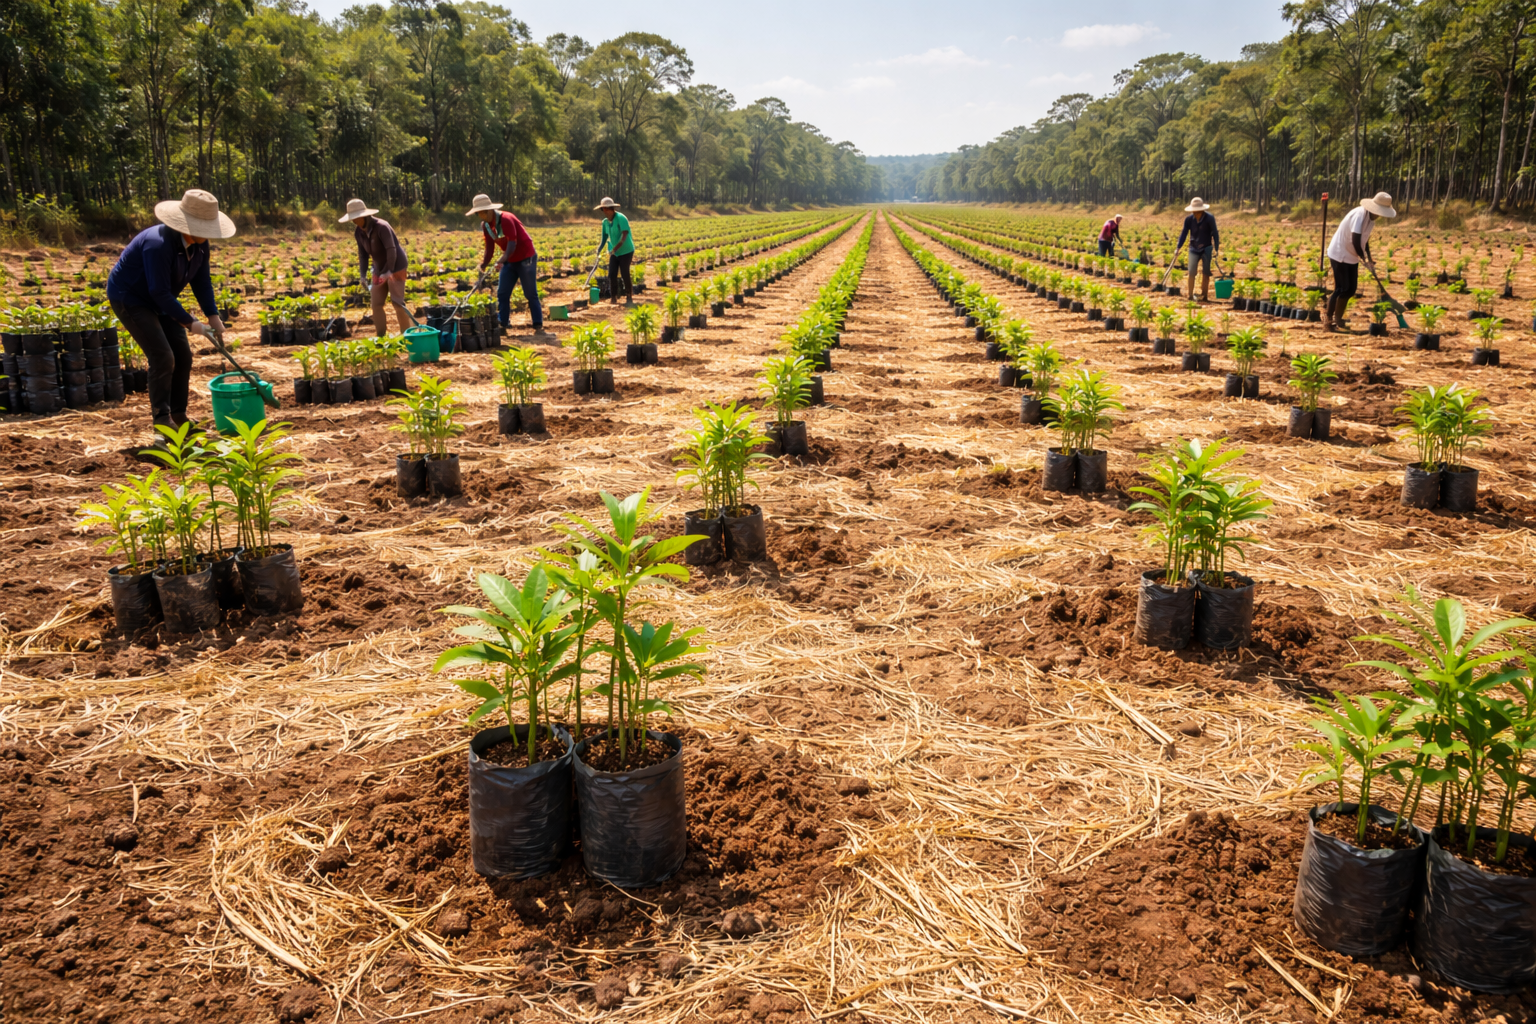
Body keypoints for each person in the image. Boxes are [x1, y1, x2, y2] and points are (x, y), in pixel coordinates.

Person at [106, 188, 235, 433]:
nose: (208, 235)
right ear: (187, 224)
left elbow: (202, 281)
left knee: (183, 356)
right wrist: (189, 322)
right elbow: (158, 292)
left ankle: (179, 415)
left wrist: (213, 316)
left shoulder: (200, 245)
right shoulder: (158, 244)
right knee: (163, 356)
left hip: (161, 299)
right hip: (131, 298)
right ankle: (163, 421)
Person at [467, 193, 550, 339]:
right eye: (478, 213)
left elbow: (512, 245)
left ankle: (538, 324)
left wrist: (501, 260)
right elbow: (490, 248)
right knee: (502, 292)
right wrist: (484, 264)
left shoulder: (506, 219)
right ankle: (503, 323)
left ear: (489, 210)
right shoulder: (486, 225)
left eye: (481, 212)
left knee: (530, 293)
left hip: (526, 257)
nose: (480, 215)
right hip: (510, 260)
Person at [339, 198, 412, 337]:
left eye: (356, 219)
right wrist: (362, 275)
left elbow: (391, 250)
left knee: (397, 302)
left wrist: (389, 271)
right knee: (376, 304)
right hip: (379, 268)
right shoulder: (358, 232)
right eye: (352, 219)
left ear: (363, 216)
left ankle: (407, 337)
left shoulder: (382, 227)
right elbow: (363, 255)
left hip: (396, 266)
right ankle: (381, 338)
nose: (354, 222)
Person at [1325, 192, 1397, 332]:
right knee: (1341, 288)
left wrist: (1369, 259)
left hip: (1352, 254)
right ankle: (1328, 321)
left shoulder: (1371, 220)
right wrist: (1363, 259)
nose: (1380, 215)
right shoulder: (1359, 215)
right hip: (1340, 253)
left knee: (1351, 289)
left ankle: (1339, 319)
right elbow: (1355, 240)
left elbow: (1364, 241)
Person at [1175, 198, 1220, 302]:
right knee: (1191, 272)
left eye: (1198, 211)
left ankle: (1204, 295)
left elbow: (1215, 233)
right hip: (1193, 248)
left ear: (1202, 210)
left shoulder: (1209, 218)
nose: (1196, 213)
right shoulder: (1189, 220)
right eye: (1194, 211)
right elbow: (1184, 233)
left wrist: (1216, 249)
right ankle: (1190, 295)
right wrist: (1178, 247)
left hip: (1207, 247)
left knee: (1206, 272)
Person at [594, 196, 634, 306]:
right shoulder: (605, 222)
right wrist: (599, 249)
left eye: (604, 209)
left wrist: (615, 249)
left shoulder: (621, 218)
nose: (603, 211)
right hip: (614, 251)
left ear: (608, 209)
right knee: (612, 274)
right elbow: (604, 238)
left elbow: (624, 235)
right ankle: (613, 297)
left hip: (626, 250)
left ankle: (629, 297)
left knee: (625, 272)